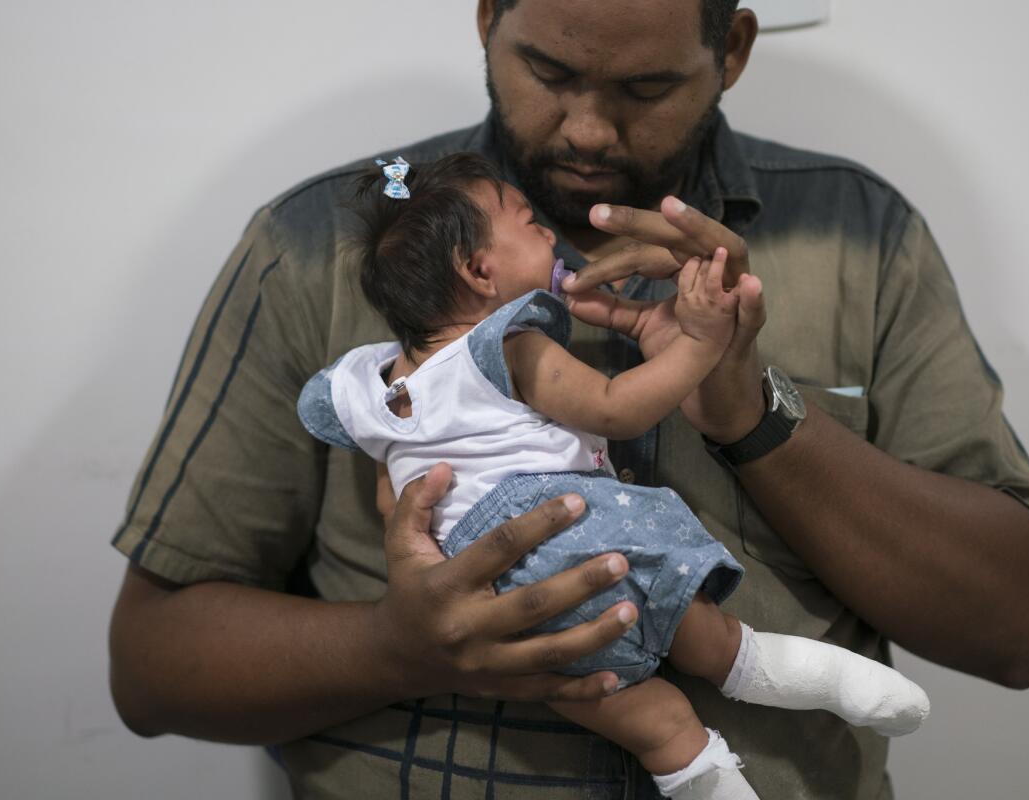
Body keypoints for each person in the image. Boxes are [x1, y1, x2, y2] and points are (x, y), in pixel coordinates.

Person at [107, 1, 1029, 797]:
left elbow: (1017, 633)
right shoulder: (314, 247)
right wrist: (400, 647)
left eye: (646, 88)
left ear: (730, 50)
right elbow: (152, 669)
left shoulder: (863, 238)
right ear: (487, 20)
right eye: (551, 73)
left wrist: (750, 408)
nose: (588, 130)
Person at [295, 152, 931, 798]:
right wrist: (703, 344)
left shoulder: (372, 388)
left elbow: (396, 502)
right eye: (527, 222)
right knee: (720, 644)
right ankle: (814, 677)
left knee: (658, 727)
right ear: (478, 270)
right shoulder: (508, 346)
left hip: (495, 609)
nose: (547, 232)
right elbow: (614, 408)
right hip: (576, 537)